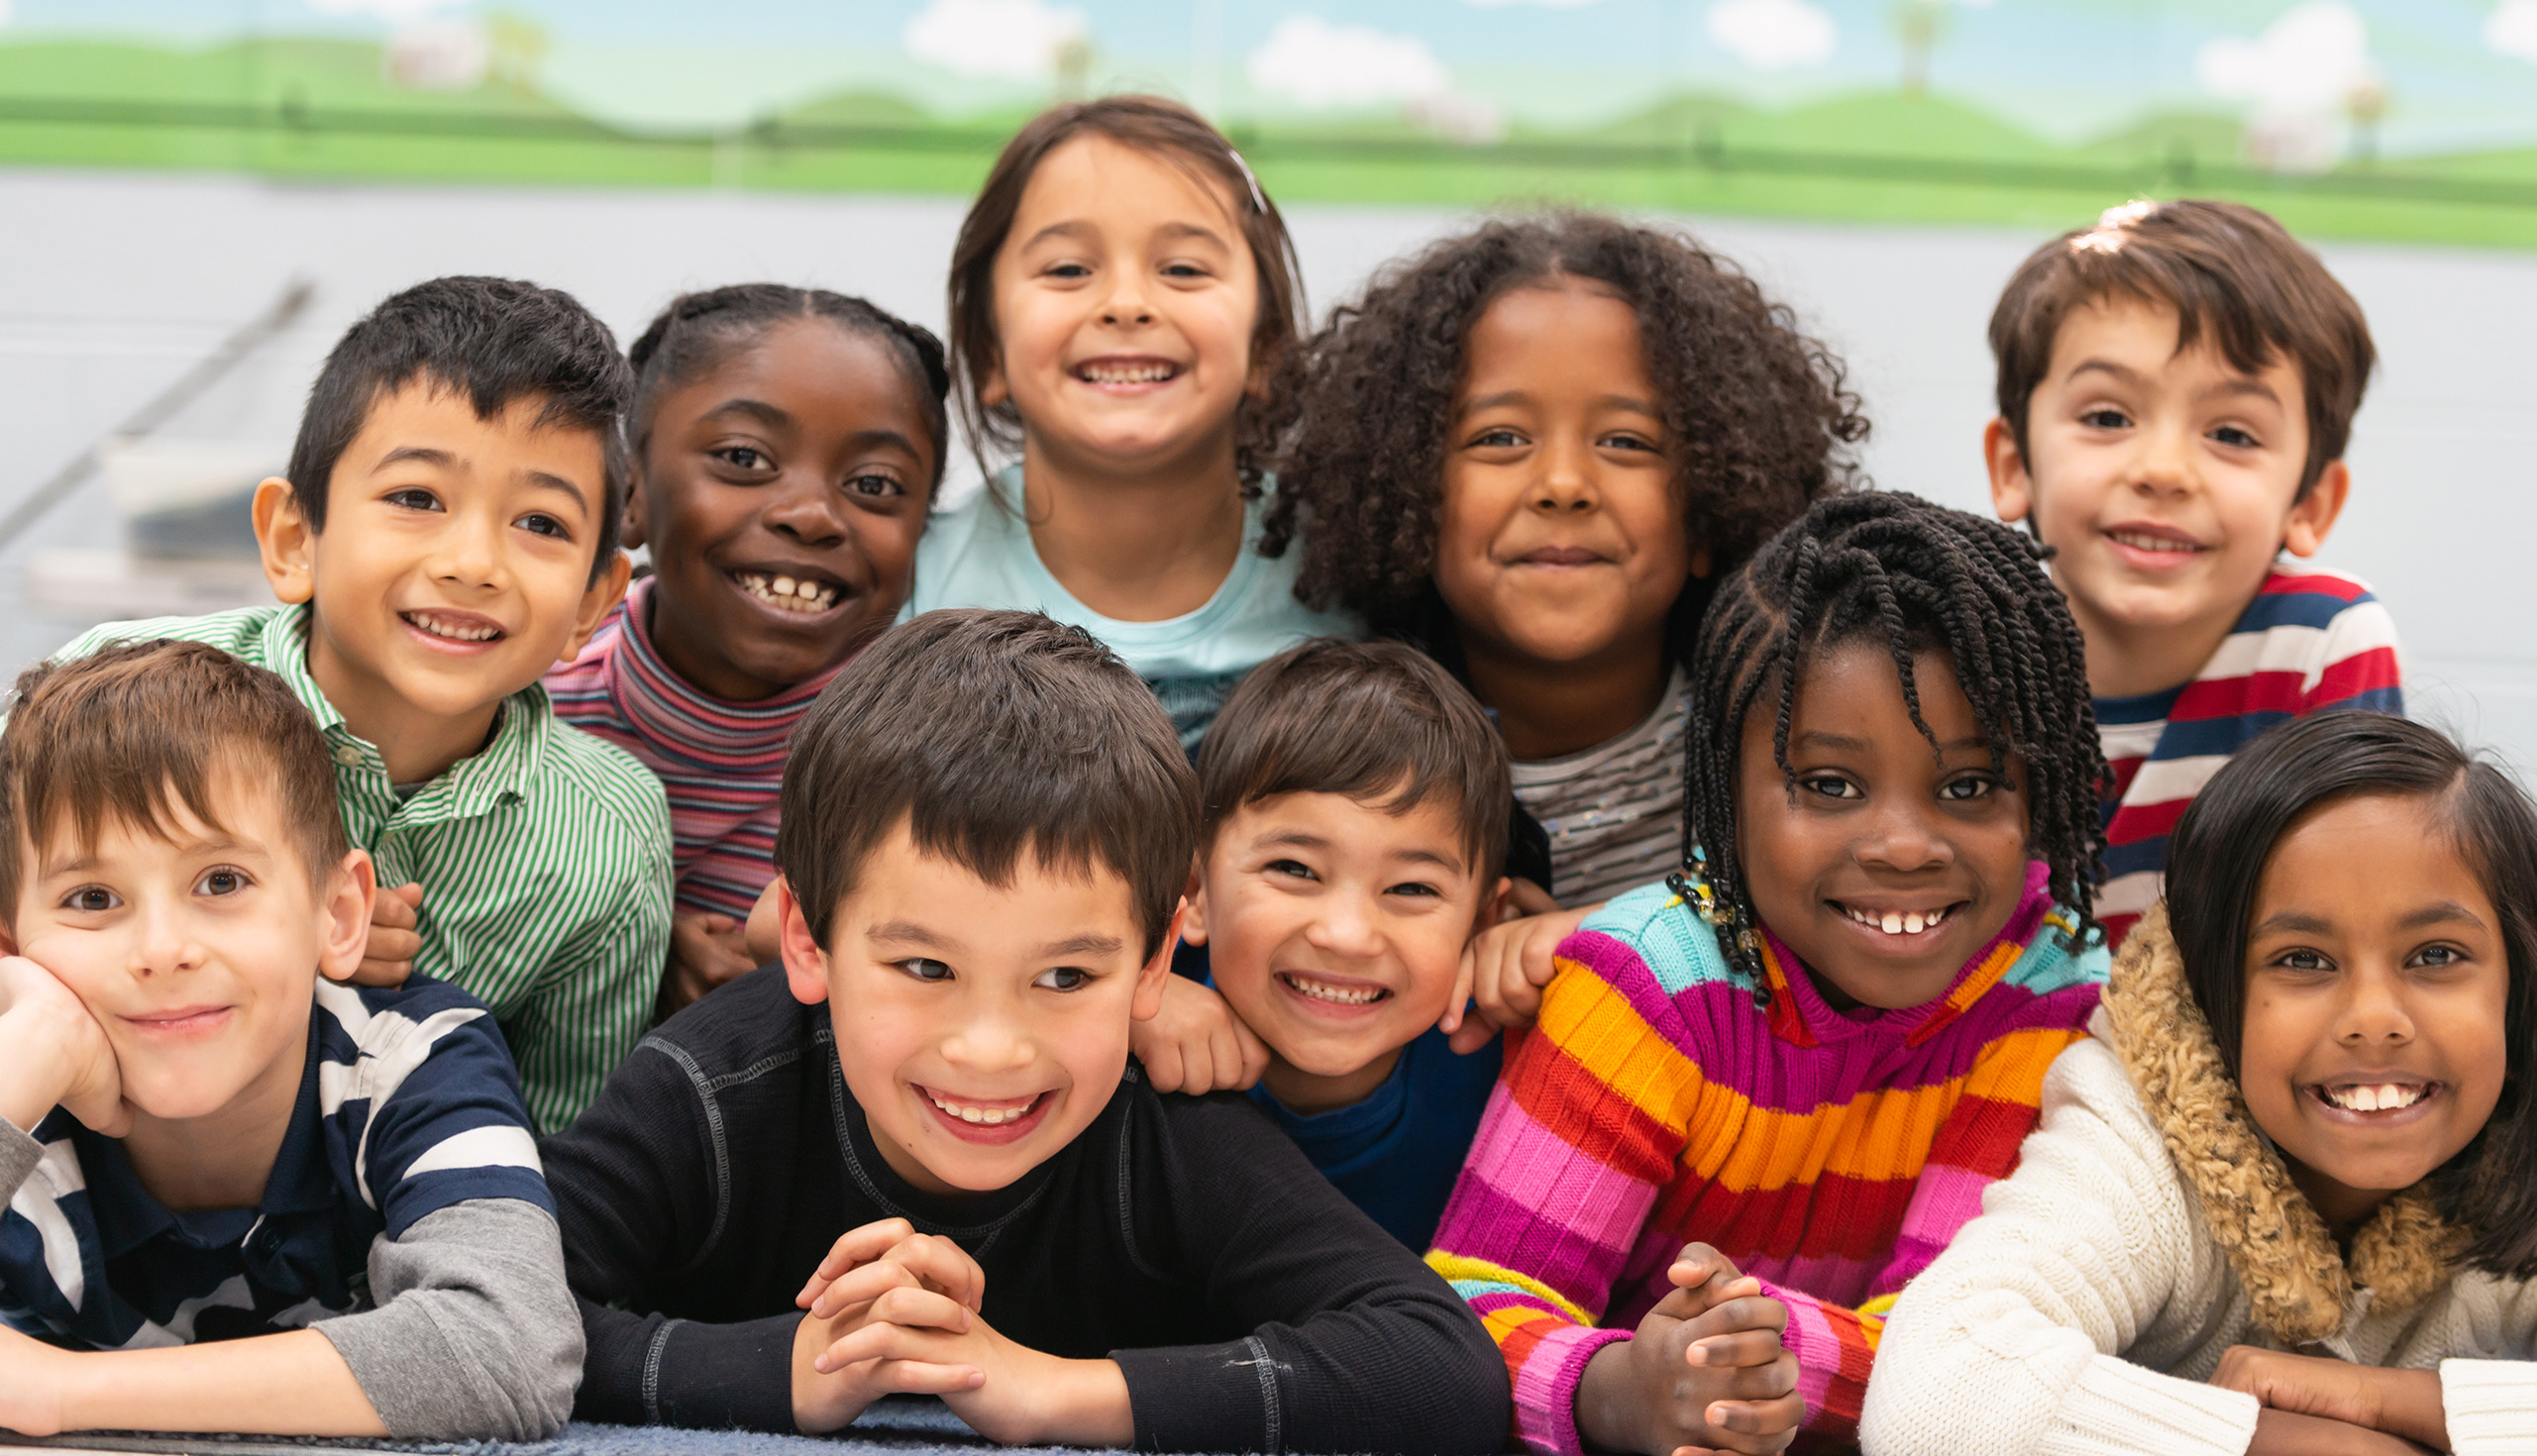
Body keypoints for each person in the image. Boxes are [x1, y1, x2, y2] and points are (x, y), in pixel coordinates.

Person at [540, 609, 1509, 1452]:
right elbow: (496, 1302)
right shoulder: (715, 1090)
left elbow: (1438, 1367)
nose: (990, 1048)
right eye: (926, 968)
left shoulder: (1159, 1123)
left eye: (1064, 977)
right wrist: (783, 1369)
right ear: (807, 938)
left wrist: (1047, 1390)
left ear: (1153, 963)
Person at [1428, 492, 2114, 1455]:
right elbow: (1469, 1312)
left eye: (1967, 786)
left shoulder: (2047, 992)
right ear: (1724, 789)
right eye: (1828, 785)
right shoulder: (1649, 983)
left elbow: (1960, 1350)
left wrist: (1753, 1351)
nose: (1903, 845)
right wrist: (1622, 1391)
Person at [48, 276, 672, 1132]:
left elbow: (556, 1141)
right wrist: (270, 943)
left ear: (593, 604)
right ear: (293, 539)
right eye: (417, 498)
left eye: (541, 523)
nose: (473, 563)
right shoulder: (104, 695)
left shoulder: (608, 841)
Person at [1259, 211, 1864, 1049]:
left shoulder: (1791, 740)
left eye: (1625, 441)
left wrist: (1612, 939)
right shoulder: (1324, 741)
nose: (1563, 483)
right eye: (1500, 437)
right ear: (1406, 496)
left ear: (1711, 511)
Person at [1861, 711, 2537, 1456]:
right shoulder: (2138, 1135)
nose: (2373, 1020)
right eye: (2302, 960)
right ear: (2208, 994)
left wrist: (2396, 1403)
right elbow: (1934, 1394)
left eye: (2435, 955)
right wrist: (2320, 1447)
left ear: (2520, 987)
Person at [0, 641, 576, 1440]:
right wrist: (29, 1051)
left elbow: (511, 1350)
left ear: (337, 917)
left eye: (221, 882)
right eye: (92, 898)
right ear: (12, 949)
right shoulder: (21, 1082)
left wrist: (58, 1390)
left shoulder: (411, 1058)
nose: (161, 951)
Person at [1983, 198, 2401, 945]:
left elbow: (2343, 930)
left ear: (2309, 503)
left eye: (2231, 433)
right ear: (2015, 466)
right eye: (2107, 417)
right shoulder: (1960, 657)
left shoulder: (2318, 644)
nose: (2163, 470)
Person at [903, 94, 1355, 745]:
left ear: (1264, 347)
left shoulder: (1352, 574)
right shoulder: (916, 592)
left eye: (1183, 269)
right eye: (1067, 269)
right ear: (988, 350)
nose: (1125, 303)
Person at [548, 285, 948, 1011]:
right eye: (743, 457)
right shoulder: (519, 706)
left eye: (874, 484)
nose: (811, 515)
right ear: (628, 492)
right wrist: (626, 938)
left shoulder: (939, 763)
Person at [1139, 638, 1514, 1249]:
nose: (1346, 936)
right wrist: (1117, 1007)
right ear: (1196, 892)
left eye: (1412, 888)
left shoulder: (1518, 1069)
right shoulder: (1132, 1021)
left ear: (1480, 924)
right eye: (1295, 869)